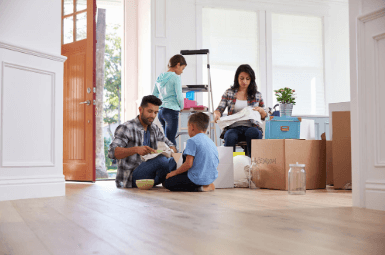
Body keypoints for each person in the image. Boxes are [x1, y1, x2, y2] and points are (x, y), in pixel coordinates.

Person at [108, 95, 178, 188]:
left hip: (151, 177)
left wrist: (171, 151)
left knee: (174, 160)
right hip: (131, 178)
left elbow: (170, 145)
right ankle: (169, 181)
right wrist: (136, 149)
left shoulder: (154, 128)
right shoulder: (126, 128)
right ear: (140, 110)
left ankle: (171, 182)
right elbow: (112, 153)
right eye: (150, 111)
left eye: (155, 112)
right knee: (161, 160)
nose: (152, 116)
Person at [214, 64, 267, 157]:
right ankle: (228, 166)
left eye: (247, 79)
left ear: (251, 80)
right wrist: (217, 115)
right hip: (233, 128)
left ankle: (253, 165)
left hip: (251, 127)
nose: (244, 82)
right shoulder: (229, 92)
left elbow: (264, 116)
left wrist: (261, 111)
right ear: (237, 78)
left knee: (254, 133)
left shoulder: (257, 95)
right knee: (230, 136)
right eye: (241, 78)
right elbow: (219, 109)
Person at [163, 112, 219, 192]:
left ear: (192, 127)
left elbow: (188, 164)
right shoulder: (211, 141)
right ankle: (207, 184)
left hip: (197, 178)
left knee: (167, 182)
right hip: (210, 178)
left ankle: (200, 188)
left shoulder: (192, 141)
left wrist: (174, 173)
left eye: (188, 126)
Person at [153, 54, 187, 149]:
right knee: (171, 141)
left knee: (167, 140)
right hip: (171, 112)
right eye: (182, 68)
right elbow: (179, 96)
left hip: (161, 112)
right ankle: (174, 163)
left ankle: (168, 161)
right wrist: (181, 107)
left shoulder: (160, 77)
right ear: (178, 65)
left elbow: (154, 95)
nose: (182, 71)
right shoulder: (176, 77)